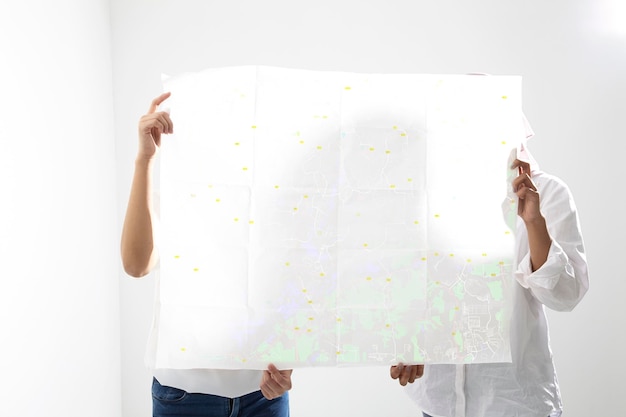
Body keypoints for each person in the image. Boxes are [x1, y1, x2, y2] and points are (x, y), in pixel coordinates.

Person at [390, 120, 589, 416]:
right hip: (438, 400)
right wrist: (409, 337)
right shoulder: (425, 197)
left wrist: (533, 222)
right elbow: (405, 283)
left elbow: (566, 296)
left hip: (513, 400)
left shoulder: (547, 193)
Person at [121, 92, 293, 417]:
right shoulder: (172, 199)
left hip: (263, 394)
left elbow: (292, 294)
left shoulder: (276, 205)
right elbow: (136, 265)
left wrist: (289, 365)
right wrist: (145, 160)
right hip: (185, 395)